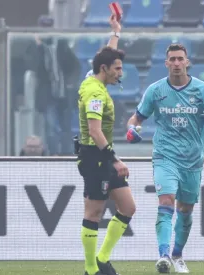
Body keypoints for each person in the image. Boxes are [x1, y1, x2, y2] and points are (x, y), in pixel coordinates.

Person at [126, 44, 204, 273]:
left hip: (192, 160)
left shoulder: (203, 90)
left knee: (185, 210)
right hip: (165, 156)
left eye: (179, 59)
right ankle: (163, 255)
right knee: (166, 202)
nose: (176, 63)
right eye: (171, 59)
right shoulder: (155, 91)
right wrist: (132, 130)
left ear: (187, 62)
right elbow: (136, 119)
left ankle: (177, 254)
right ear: (166, 63)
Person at [77, 15, 136, 275]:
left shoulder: (95, 77)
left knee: (128, 207)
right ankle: (91, 269)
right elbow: (94, 130)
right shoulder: (94, 93)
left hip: (104, 154)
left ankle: (102, 258)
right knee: (94, 212)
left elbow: (105, 56)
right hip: (95, 157)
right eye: (118, 69)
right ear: (105, 69)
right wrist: (115, 160)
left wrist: (116, 32)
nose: (120, 73)